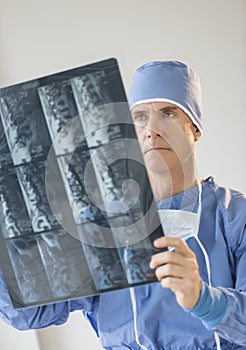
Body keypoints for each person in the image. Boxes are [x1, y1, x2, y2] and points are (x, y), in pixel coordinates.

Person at [0, 60, 246, 349]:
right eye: (140, 116)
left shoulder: (234, 215)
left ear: (195, 128)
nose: (151, 129)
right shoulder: (98, 225)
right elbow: (29, 313)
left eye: (168, 113)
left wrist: (204, 299)